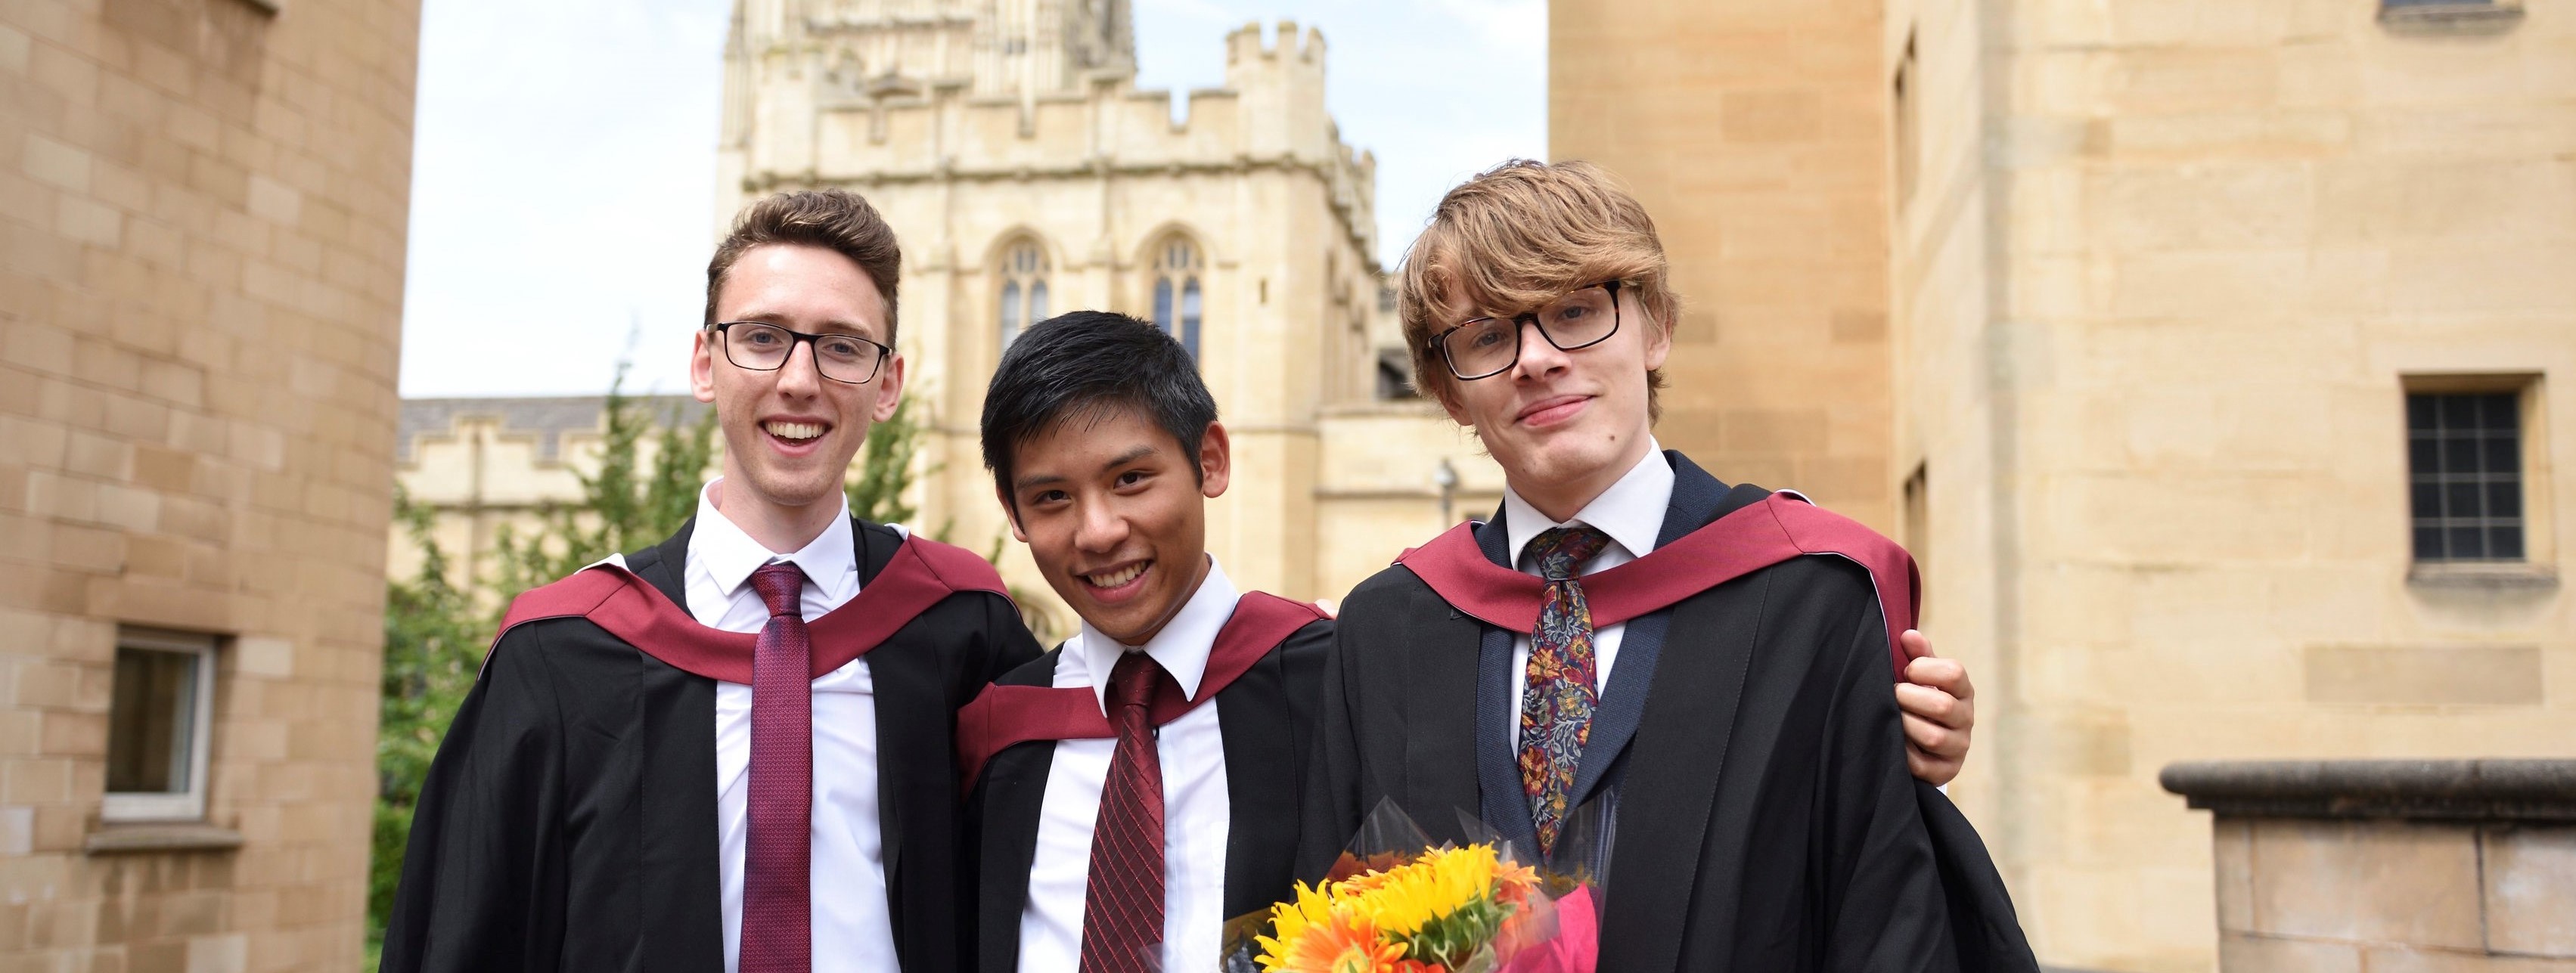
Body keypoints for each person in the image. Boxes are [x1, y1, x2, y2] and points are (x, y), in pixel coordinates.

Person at [1298, 160, 2035, 971]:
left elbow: (1884, 930)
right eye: (1487, 335)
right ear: (1445, 392)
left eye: (1574, 310)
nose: (1535, 359)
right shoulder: (1387, 631)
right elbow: (1329, 933)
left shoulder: (1810, 598)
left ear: (1655, 328)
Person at [383, 190, 1041, 973]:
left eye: (841, 346)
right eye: (762, 337)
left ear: (888, 384)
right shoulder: (559, 653)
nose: (800, 379)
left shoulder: (961, 630)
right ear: (705, 363)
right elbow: (463, 934)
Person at [955, 311, 1335, 973]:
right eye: (1051, 497)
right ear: (1013, 513)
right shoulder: (998, 731)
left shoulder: (1332, 686)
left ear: (1209, 460)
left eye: (1130, 479)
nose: (1098, 531)